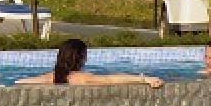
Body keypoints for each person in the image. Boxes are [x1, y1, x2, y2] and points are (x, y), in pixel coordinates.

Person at [17, 37, 161, 88]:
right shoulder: (82, 78)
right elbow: (112, 79)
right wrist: (144, 78)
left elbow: (19, 83)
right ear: (80, 58)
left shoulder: (49, 78)